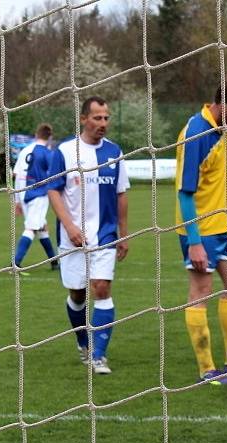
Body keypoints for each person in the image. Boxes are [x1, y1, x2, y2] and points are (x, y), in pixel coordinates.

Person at [175, 74, 227, 385]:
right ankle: (206, 369)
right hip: (202, 231)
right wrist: (194, 242)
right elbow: (185, 194)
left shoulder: (225, 127)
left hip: (225, 226)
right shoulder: (197, 134)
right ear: (224, 105)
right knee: (201, 291)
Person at [47, 96, 129, 375]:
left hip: (105, 235)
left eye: (106, 118)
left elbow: (121, 195)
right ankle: (83, 341)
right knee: (77, 293)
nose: (103, 123)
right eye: (97, 118)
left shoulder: (115, 152)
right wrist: (70, 227)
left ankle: (99, 356)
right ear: (83, 119)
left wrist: (124, 234)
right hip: (72, 237)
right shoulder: (65, 151)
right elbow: (53, 191)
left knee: (102, 289)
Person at [13, 123, 58, 273]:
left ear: (36, 134)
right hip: (39, 193)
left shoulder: (25, 150)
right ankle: (15, 263)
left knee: (42, 228)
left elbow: (17, 175)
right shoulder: (47, 153)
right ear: (50, 137)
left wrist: (17, 200)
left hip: (23, 192)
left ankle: (54, 262)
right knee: (32, 228)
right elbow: (53, 176)